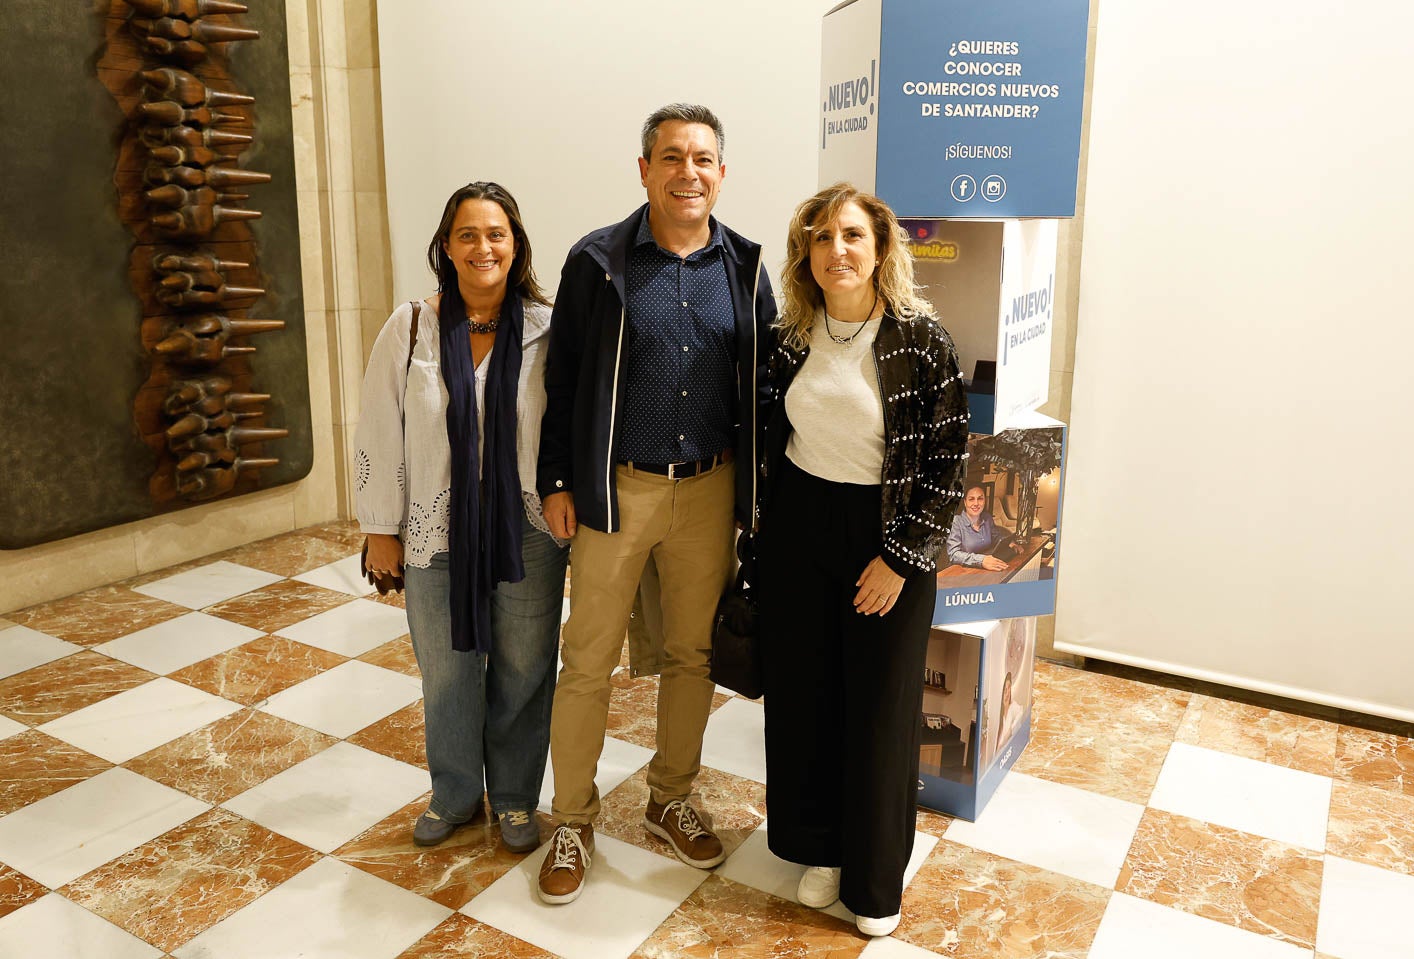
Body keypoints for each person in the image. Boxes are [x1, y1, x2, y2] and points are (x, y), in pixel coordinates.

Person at [535, 103, 776, 904]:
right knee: (587, 660)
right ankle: (571, 816)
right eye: (671, 157)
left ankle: (671, 797)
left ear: (720, 172)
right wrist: (556, 479)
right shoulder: (597, 262)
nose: (687, 171)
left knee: (690, 655)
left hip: (708, 492)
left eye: (702, 158)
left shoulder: (743, 266)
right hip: (616, 490)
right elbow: (561, 382)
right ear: (643, 170)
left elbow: (766, 385)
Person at [757, 182, 969, 937]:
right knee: (806, 701)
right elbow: (768, 445)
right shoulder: (791, 333)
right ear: (804, 254)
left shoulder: (919, 336)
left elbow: (949, 462)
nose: (835, 250)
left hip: (885, 535)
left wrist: (900, 558)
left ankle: (875, 877)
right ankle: (820, 848)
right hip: (798, 529)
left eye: (850, 235)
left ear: (879, 248)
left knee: (877, 713)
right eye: (820, 237)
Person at [354, 182, 568, 854]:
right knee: (446, 669)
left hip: (526, 530)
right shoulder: (411, 326)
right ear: (447, 246)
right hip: (435, 526)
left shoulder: (546, 327)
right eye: (468, 234)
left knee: (524, 666)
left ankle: (511, 798)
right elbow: (378, 428)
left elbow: (567, 427)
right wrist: (379, 526)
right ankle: (452, 792)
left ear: (516, 243)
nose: (483, 247)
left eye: (495, 233)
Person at [946, 484, 1009, 570]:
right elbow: (953, 554)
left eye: (980, 498)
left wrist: (1010, 544)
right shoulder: (956, 522)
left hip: (984, 569)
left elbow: (996, 537)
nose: (976, 503)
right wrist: (981, 560)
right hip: (961, 571)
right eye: (971, 499)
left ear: (984, 501)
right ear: (965, 502)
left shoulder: (987, 518)